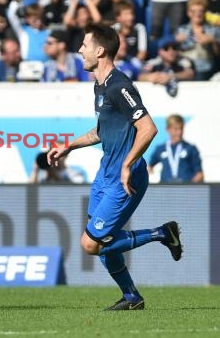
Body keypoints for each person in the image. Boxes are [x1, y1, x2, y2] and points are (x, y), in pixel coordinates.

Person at [47, 23, 183, 311]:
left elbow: (148, 128)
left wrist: (128, 164)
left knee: (90, 243)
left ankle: (162, 233)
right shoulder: (101, 86)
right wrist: (68, 146)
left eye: (84, 45)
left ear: (100, 50)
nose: (79, 50)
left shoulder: (120, 87)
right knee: (101, 241)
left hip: (126, 176)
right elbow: (101, 132)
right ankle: (132, 297)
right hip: (105, 173)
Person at [148, 114, 204, 183]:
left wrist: (190, 186)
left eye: (181, 128)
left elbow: (199, 174)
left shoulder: (191, 148)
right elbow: (149, 167)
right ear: (168, 129)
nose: (179, 132)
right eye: (176, 129)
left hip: (186, 190)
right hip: (165, 189)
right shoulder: (160, 149)